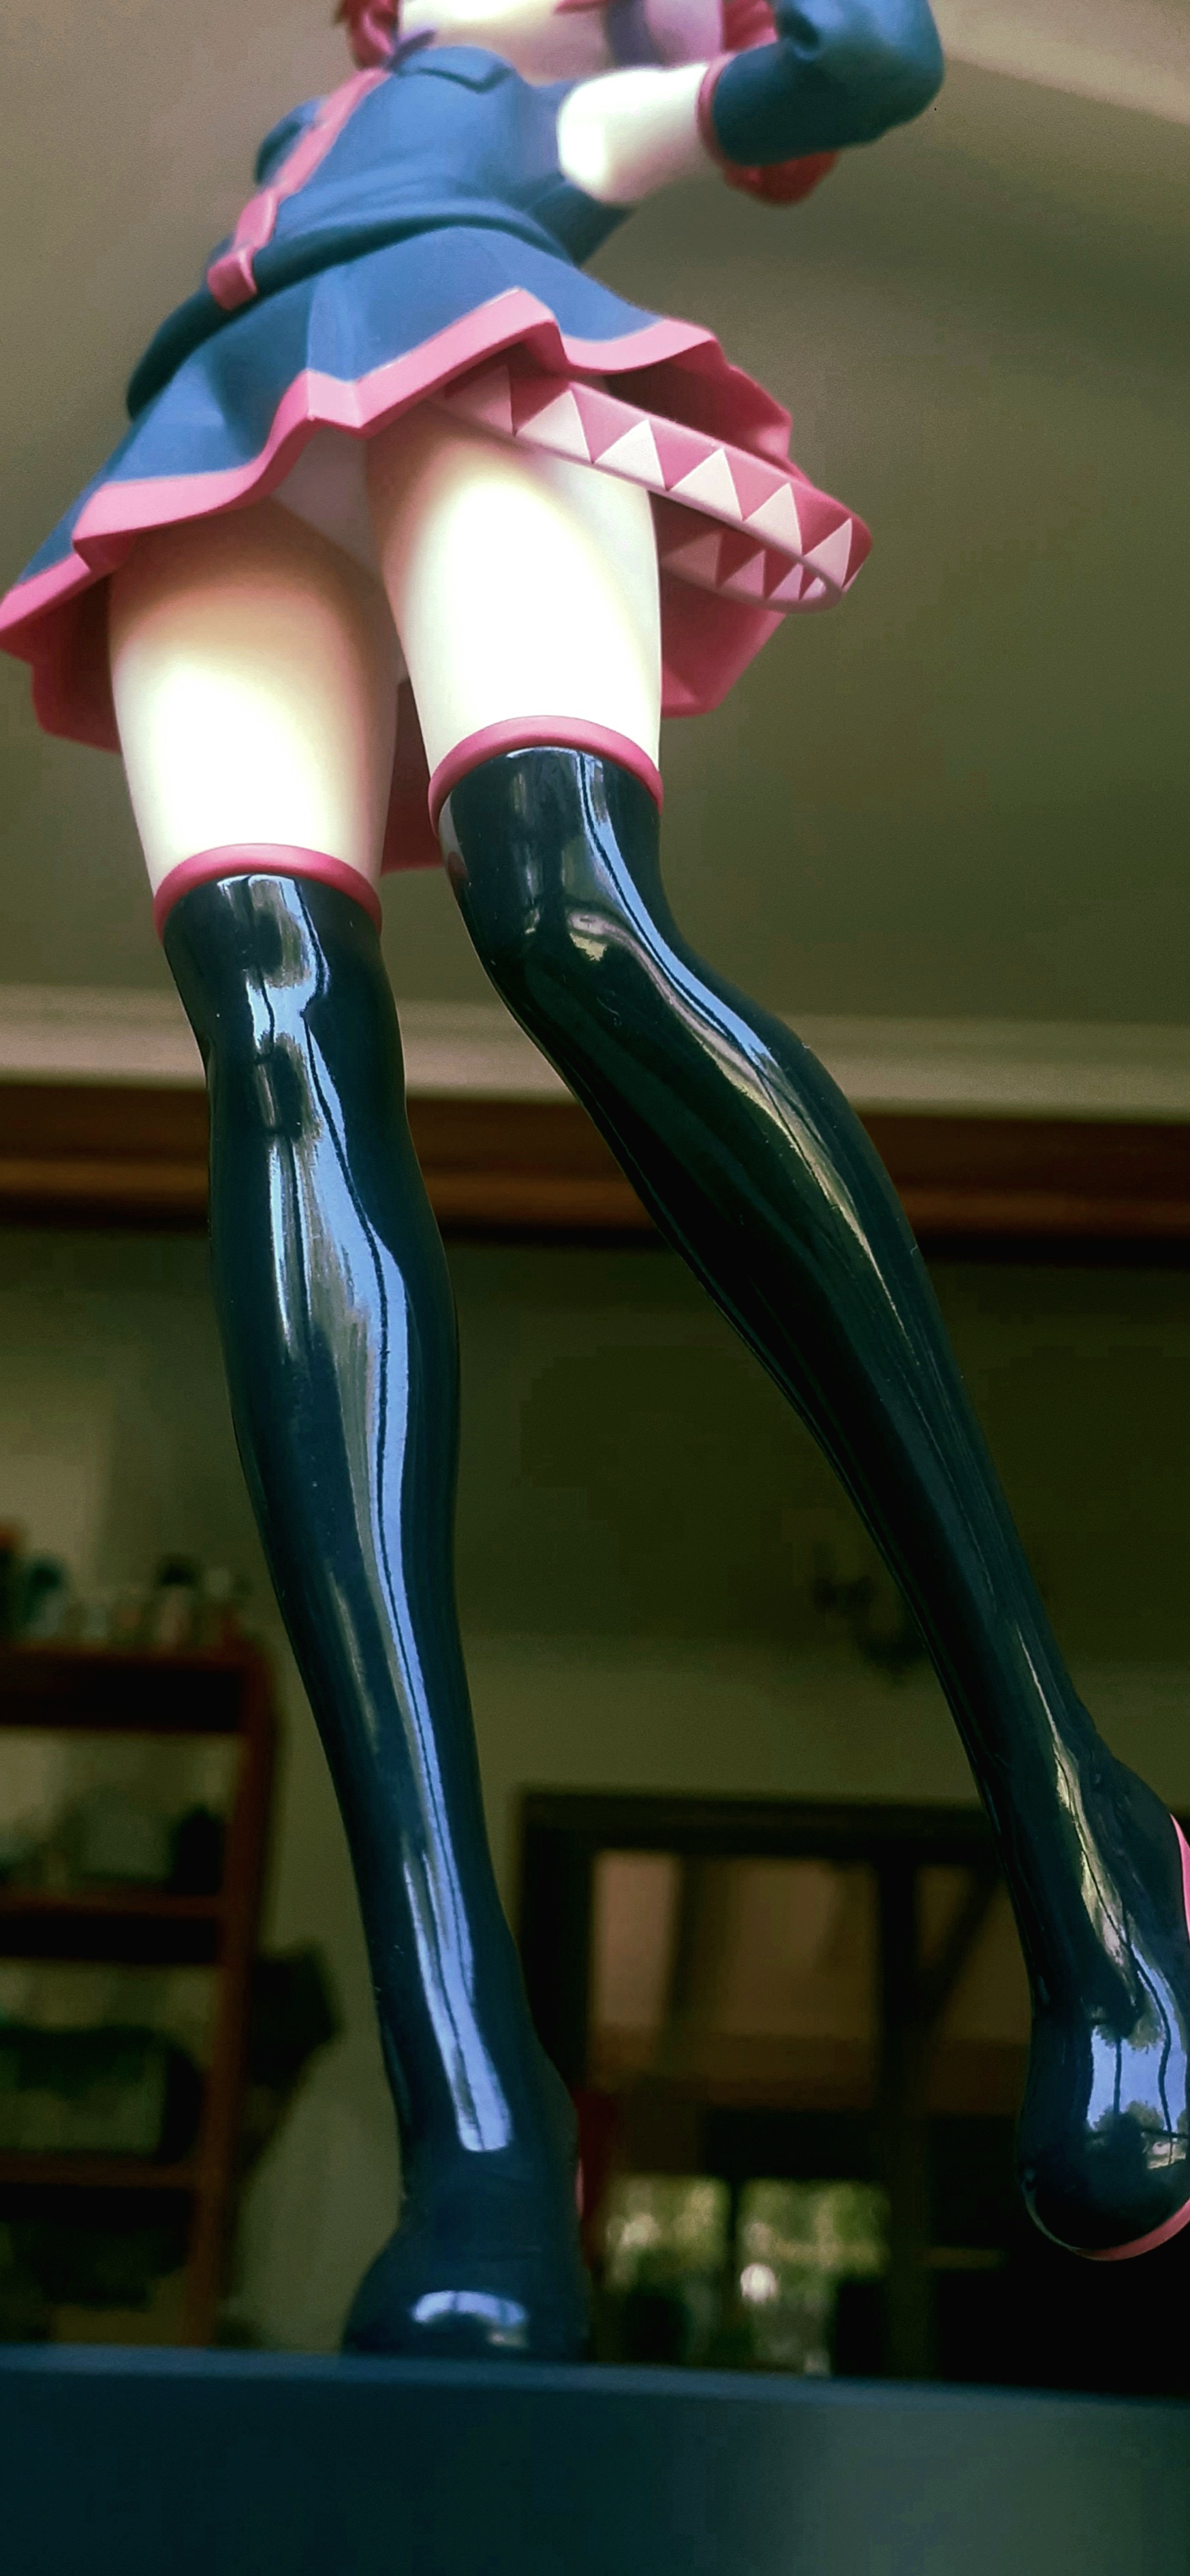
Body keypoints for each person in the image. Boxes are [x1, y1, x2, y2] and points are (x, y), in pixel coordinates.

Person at [3, 0, 1187, 2365]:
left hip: (466, 352)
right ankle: (468, 2109)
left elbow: (855, 67)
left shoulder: (557, 112)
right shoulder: (327, 114)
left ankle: (1084, 1848)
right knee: (274, 1054)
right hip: (212, 440)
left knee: (570, 924)